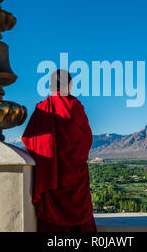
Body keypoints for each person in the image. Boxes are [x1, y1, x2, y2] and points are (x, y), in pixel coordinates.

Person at [22, 69, 97, 232]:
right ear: (69, 86)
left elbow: (28, 140)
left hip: (50, 181)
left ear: (50, 87)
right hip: (75, 180)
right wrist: (76, 161)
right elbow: (87, 140)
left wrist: (47, 162)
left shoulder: (41, 109)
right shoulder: (75, 106)